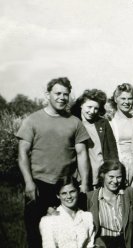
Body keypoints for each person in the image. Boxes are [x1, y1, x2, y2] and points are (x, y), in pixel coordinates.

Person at [17, 77, 90, 248]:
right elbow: (22, 154)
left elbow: (82, 154)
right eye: (57, 93)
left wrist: (85, 183)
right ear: (47, 94)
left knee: (65, 234)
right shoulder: (32, 120)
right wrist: (28, 183)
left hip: (66, 186)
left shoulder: (75, 122)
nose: (62, 98)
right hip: (38, 184)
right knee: (35, 234)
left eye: (66, 94)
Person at [85, 160, 133, 248]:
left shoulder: (128, 192)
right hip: (102, 243)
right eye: (111, 177)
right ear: (102, 175)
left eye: (119, 177)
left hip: (124, 241)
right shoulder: (90, 197)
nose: (115, 181)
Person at [70, 89, 119, 186]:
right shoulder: (73, 122)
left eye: (96, 108)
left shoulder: (103, 123)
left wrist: (114, 174)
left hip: (100, 175)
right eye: (89, 107)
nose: (92, 111)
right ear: (81, 105)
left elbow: (112, 151)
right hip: (80, 177)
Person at [39, 177, 95, 248]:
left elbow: (90, 245)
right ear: (58, 196)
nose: (69, 196)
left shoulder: (87, 216)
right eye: (64, 193)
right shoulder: (48, 220)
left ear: (78, 191)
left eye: (72, 191)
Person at [109, 83, 133, 195]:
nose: (127, 102)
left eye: (130, 99)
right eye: (123, 98)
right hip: (118, 164)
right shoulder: (110, 122)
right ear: (115, 99)